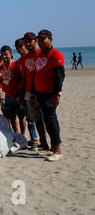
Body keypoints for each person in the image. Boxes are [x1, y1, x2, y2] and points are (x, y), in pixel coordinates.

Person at [34, 29, 65, 161]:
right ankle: (52, 147)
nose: (40, 42)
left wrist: (57, 93)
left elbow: (60, 75)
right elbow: (36, 73)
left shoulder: (55, 54)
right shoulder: (39, 54)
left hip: (50, 94)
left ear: (50, 39)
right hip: (39, 92)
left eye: (43, 39)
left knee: (50, 119)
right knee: (47, 118)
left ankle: (57, 147)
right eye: (39, 40)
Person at [22, 32, 49, 151]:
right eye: (26, 41)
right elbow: (25, 77)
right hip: (28, 93)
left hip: (41, 92)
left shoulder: (41, 54)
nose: (28, 43)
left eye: (30, 41)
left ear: (35, 41)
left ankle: (52, 144)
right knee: (36, 119)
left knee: (47, 119)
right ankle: (43, 143)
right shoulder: (26, 57)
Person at [13, 38, 39, 146]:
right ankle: (33, 139)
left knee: (36, 117)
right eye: (17, 47)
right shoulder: (18, 62)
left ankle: (36, 139)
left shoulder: (31, 58)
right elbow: (18, 78)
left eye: (21, 46)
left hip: (33, 91)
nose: (19, 49)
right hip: (23, 91)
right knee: (27, 117)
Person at [0, 45, 22, 133]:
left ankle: (22, 135)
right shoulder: (0, 67)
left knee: (21, 117)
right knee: (10, 117)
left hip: (17, 94)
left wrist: (17, 94)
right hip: (7, 95)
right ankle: (15, 134)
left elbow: (20, 80)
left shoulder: (15, 65)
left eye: (6, 54)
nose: (4, 56)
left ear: (11, 55)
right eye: (3, 55)